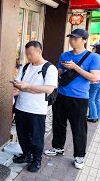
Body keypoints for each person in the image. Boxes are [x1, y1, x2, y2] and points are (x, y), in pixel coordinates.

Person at [45, 29, 100, 169]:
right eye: (71, 38)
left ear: (85, 40)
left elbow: (94, 78)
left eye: (76, 38)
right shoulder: (64, 55)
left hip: (80, 98)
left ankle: (79, 156)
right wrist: (57, 72)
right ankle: (58, 147)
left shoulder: (93, 57)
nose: (72, 41)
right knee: (58, 124)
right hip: (62, 95)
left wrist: (76, 67)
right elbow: (59, 73)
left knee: (79, 128)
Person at [11, 41, 58, 172]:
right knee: (22, 134)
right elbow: (19, 83)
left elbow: (49, 89)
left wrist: (28, 87)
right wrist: (18, 87)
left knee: (36, 137)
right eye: (27, 54)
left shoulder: (50, 68)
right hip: (21, 107)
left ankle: (37, 160)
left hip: (37, 110)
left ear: (39, 51)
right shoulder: (25, 67)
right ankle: (26, 155)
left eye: (30, 54)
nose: (28, 57)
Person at [87, 42, 100, 123]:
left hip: (94, 82)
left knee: (91, 99)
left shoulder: (95, 58)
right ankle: (97, 115)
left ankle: (93, 116)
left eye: (93, 48)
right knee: (97, 99)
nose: (92, 49)